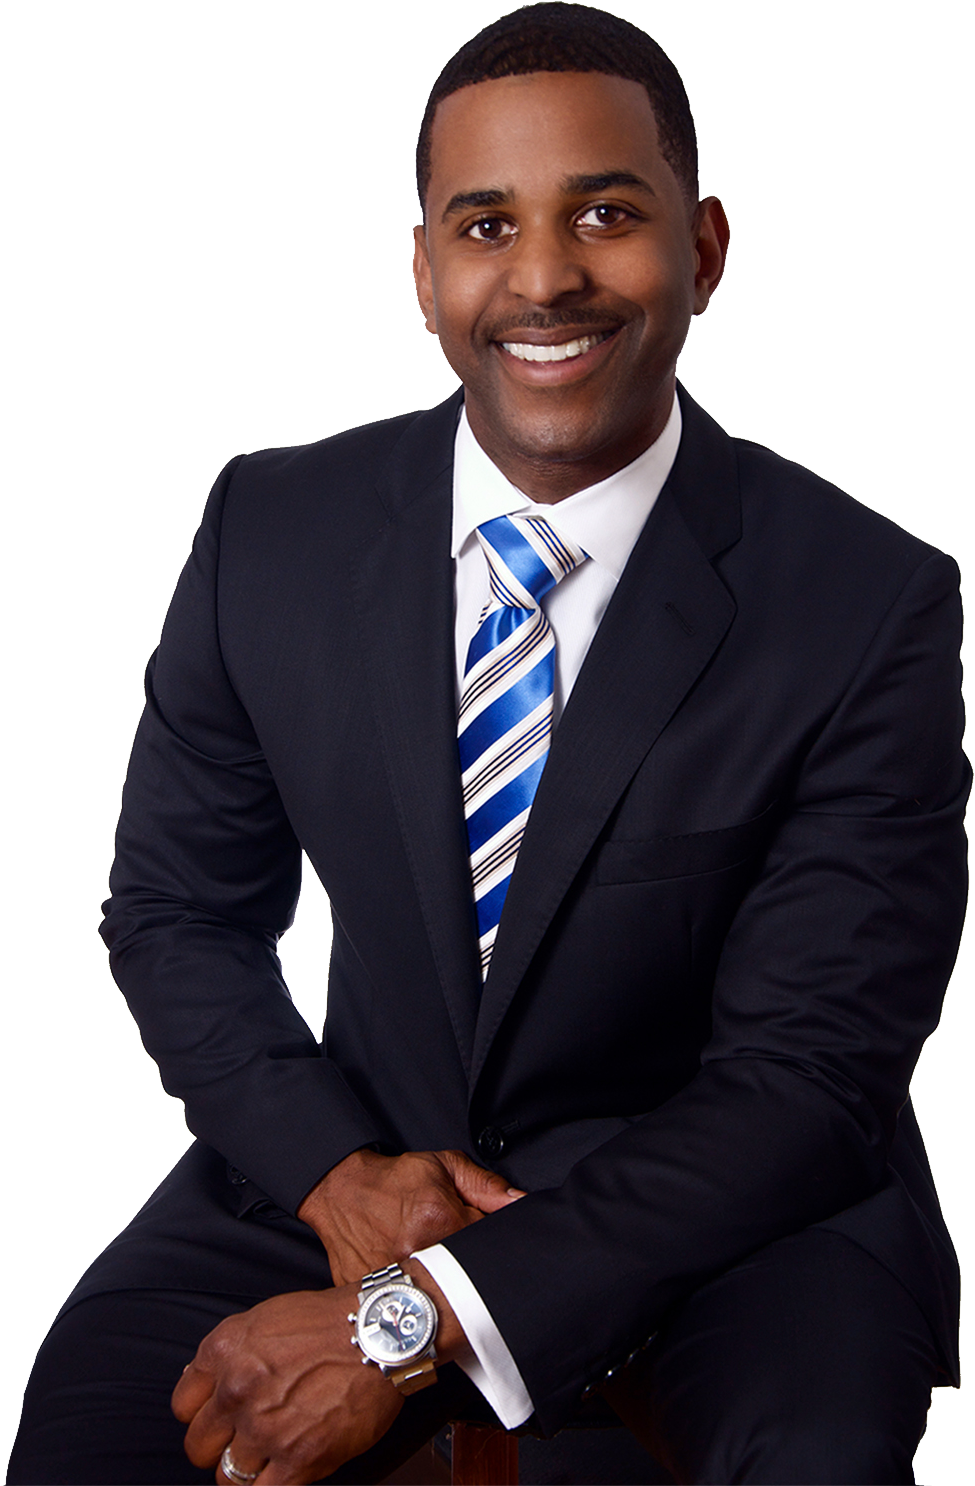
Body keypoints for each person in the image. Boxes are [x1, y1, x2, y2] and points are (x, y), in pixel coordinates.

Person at [7, 4, 967, 1483]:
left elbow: (805, 1075)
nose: (542, 276)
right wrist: (335, 1175)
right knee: (87, 1438)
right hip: (347, 1162)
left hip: (736, 1211)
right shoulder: (270, 533)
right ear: (422, 269)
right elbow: (177, 912)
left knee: (811, 1457)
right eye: (482, 223)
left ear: (702, 248)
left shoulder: (865, 602)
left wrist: (412, 1317)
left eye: (605, 212)